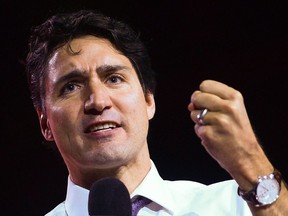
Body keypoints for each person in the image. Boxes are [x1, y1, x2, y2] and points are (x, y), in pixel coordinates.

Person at [25, 9, 287, 216]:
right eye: (70, 86)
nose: (98, 100)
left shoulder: (236, 205)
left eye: (114, 78)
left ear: (149, 100)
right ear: (45, 123)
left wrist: (253, 167)